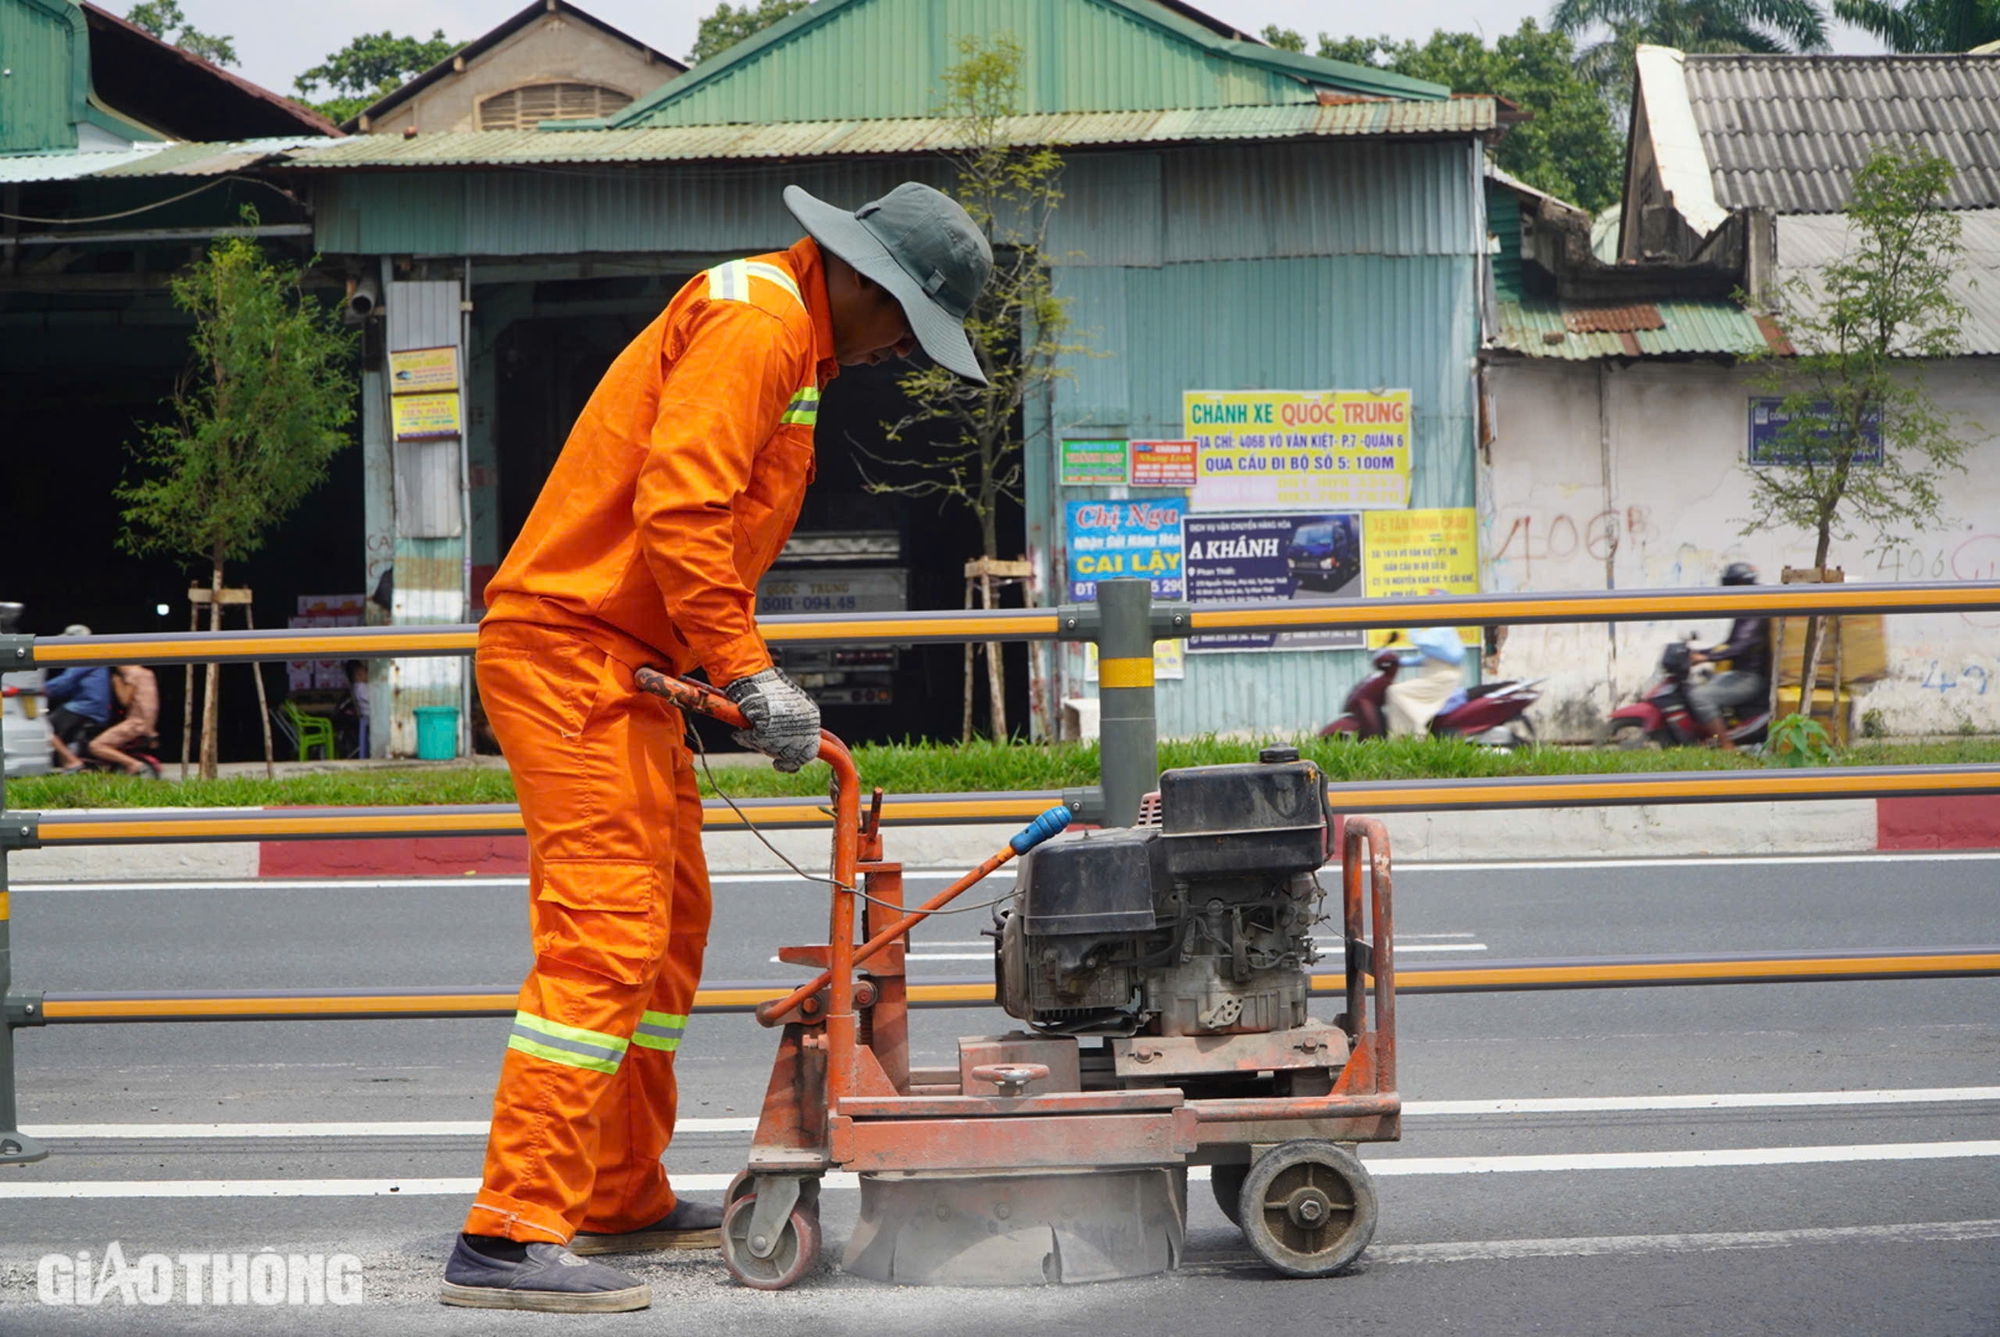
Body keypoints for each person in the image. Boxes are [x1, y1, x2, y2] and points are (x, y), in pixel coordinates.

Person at [440, 182, 993, 1314]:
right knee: (606, 937)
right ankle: (504, 1235)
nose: (897, 353)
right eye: (905, 325)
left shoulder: (787, 335)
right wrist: (745, 669)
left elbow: (700, 528)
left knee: (667, 929)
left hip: (622, 663)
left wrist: (717, 667)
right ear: (870, 283)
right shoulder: (759, 322)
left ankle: (612, 1194)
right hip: (571, 653)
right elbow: (683, 509)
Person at [1687, 561, 1771, 749]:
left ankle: (1726, 745)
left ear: (1740, 585)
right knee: (1700, 683)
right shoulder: (1747, 607)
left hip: (1749, 678)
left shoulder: (1755, 611)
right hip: (1740, 673)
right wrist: (1700, 653)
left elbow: (1739, 647)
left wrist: (1706, 658)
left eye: (1730, 586)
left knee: (1700, 697)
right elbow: (1729, 644)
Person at [44, 625, 112, 773]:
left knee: (44, 727)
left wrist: (39, 689)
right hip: (89, 706)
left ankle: (72, 762)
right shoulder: (91, 655)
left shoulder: (88, 655)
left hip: (86, 706)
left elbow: (65, 681)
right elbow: (67, 687)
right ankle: (69, 766)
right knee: (60, 732)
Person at [1386, 626, 1467, 737]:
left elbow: (1421, 642)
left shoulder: (1442, 633)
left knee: (1395, 691)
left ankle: (1415, 730)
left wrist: (1413, 624)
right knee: (1395, 691)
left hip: (1441, 680)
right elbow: (1423, 659)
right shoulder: (1436, 647)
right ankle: (1408, 731)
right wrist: (1398, 661)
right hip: (1437, 679)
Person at [88, 666, 161, 777]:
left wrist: (117, 682)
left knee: (96, 746)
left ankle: (133, 764)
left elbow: (125, 700)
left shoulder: (132, 674)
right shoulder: (147, 673)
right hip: (147, 723)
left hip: (136, 723)